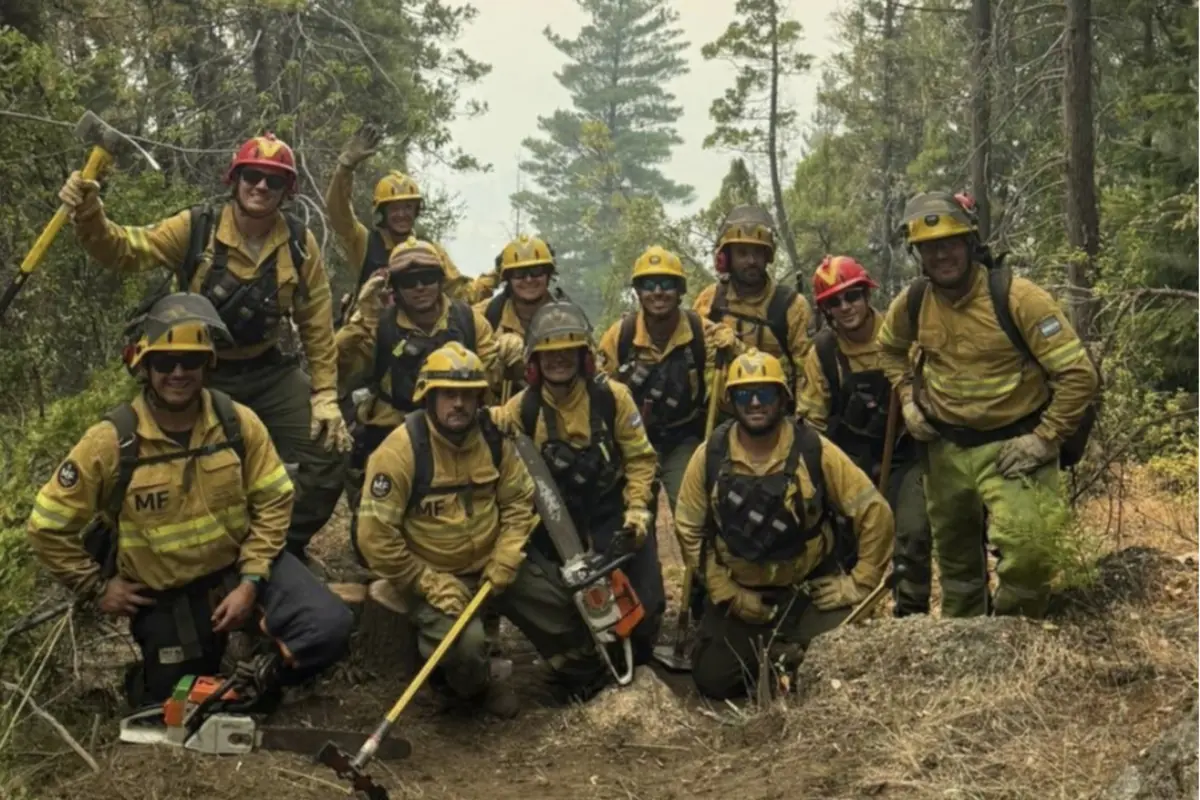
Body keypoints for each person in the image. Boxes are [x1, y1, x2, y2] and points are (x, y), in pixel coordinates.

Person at [26, 293, 352, 707]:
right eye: (165, 362)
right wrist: (96, 587)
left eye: (190, 360)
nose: (178, 373)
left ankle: (261, 679)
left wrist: (251, 581)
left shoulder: (237, 423)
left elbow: (274, 501)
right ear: (144, 366)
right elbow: (46, 526)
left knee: (328, 626)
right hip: (168, 592)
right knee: (176, 703)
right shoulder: (112, 441)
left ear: (207, 365)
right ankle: (158, 683)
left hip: (238, 568)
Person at [57, 134, 348, 561]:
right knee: (176, 463)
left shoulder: (301, 244)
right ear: (236, 179)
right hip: (197, 372)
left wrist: (325, 395)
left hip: (270, 371)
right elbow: (125, 249)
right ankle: (168, 555)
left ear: (287, 190)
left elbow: (317, 324)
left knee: (330, 449)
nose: (261, 186)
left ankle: (279, 549)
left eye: (274, 180)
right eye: (253, 175)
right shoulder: (197, 227)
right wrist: (89, 213)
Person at [877, 191, 1100, 619]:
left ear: (970, 242)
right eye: (929, 247)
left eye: (950, 242)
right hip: (945, 448)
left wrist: (1045, 439)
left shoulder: (1019, 298)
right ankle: (964, 640)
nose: (941, 255)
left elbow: (1078, 375)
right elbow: (888, 350)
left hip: (1013, 446)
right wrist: (907, 399)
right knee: (957, 563)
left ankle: (1015, 634)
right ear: (917, 254)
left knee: (1031, 553)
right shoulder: (914, 302)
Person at [356, 342, 608, 716]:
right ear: (428, 396)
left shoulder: (494, 440)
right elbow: (375, 537)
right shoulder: (399, 452)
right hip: (435, 575)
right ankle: (472, 685)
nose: (459, 404)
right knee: (465, 647)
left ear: (480, 399)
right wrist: (426, 582)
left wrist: (506, 555)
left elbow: (519, 502)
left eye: (468, 395)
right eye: (448, 394)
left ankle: (580, 676)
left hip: (494, 565)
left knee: (558, 606)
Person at [673, 350, 893, 700]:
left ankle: (789, 653)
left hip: (807, 591)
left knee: (843, 664)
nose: (755, 402)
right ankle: (779, 654)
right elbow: (688, 528)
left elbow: (874, 512)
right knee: (713, 680)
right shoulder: (710, 455)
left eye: (765, 392)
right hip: (742, 594)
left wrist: (858, 583)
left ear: (782, 398)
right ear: (730, 401)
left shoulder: (813, 449)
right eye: (745, 394)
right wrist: (727, 592)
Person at [502, 302, 664, 664]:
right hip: (553, 522)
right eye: (549, 354)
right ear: (534, 361)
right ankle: (577, 660)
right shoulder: (519, 411)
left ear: (584, 356)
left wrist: (638, 509)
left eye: (567, 352)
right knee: (565, 610)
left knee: (645, 612)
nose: (558, 360)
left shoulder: (613, 398)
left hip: (612, 513)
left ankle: (637, 654)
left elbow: (640, 458)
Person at [336, 238, 497, 559]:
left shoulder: (468, 321)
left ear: (440, 279)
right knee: (370, 541)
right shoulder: (381, 325)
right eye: (409, 281)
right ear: (395, 287)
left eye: (427, 278)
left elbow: (491, 376)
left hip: (459, 430)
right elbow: (339, 365)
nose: (420, 287)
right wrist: (360, 319)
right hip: (392, 428)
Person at [797, 255, 931, 617]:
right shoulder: (822, 353)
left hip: (905, 454)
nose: (845, 307)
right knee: (843, 537)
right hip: (848, 459)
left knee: (913, 532)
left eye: (852, 296)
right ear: (826, 310)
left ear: (866, 295)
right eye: (834, 302)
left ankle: (911, 615)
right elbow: (813, 423)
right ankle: (850, 617)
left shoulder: (901, 336)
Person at [597, 245, 739, 512]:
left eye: (666, 284)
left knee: (692, 508)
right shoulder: (620, 335)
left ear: (680, 290)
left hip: (682, 438)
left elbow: (736, 379)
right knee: (634, 515)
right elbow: (599, 391)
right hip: (632, 441)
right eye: (649, 285)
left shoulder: (701, 332)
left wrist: (735, 349)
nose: (658, 292)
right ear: (638, 291)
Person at [328, 123, 495, 312]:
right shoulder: (365, 243)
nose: (402, 214)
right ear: (382, 212)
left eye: (408, 207)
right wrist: (345, 168)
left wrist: (498, 274)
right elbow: (338, 213)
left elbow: (461, 294)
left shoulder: (430, 250)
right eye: (394, 208)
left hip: (417, 328)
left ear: (416, 210)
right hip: (371, 327)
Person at [692, 205, 812, 405]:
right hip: (722, 413)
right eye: (742, 253)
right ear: (727, 258)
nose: (751, 261)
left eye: (758, 253)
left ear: (768, 256)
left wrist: (801, 418)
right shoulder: (710, 299)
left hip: (775, 413)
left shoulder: (792, 305)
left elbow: (807, 370)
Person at [477, 234, 565, 403]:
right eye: (519, 274)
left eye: (536, 272)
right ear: (507, 278)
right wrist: (499, 361)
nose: (529, 280)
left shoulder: (568, 317)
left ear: (548, 275)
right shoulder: (484, 316)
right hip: (497, 410)